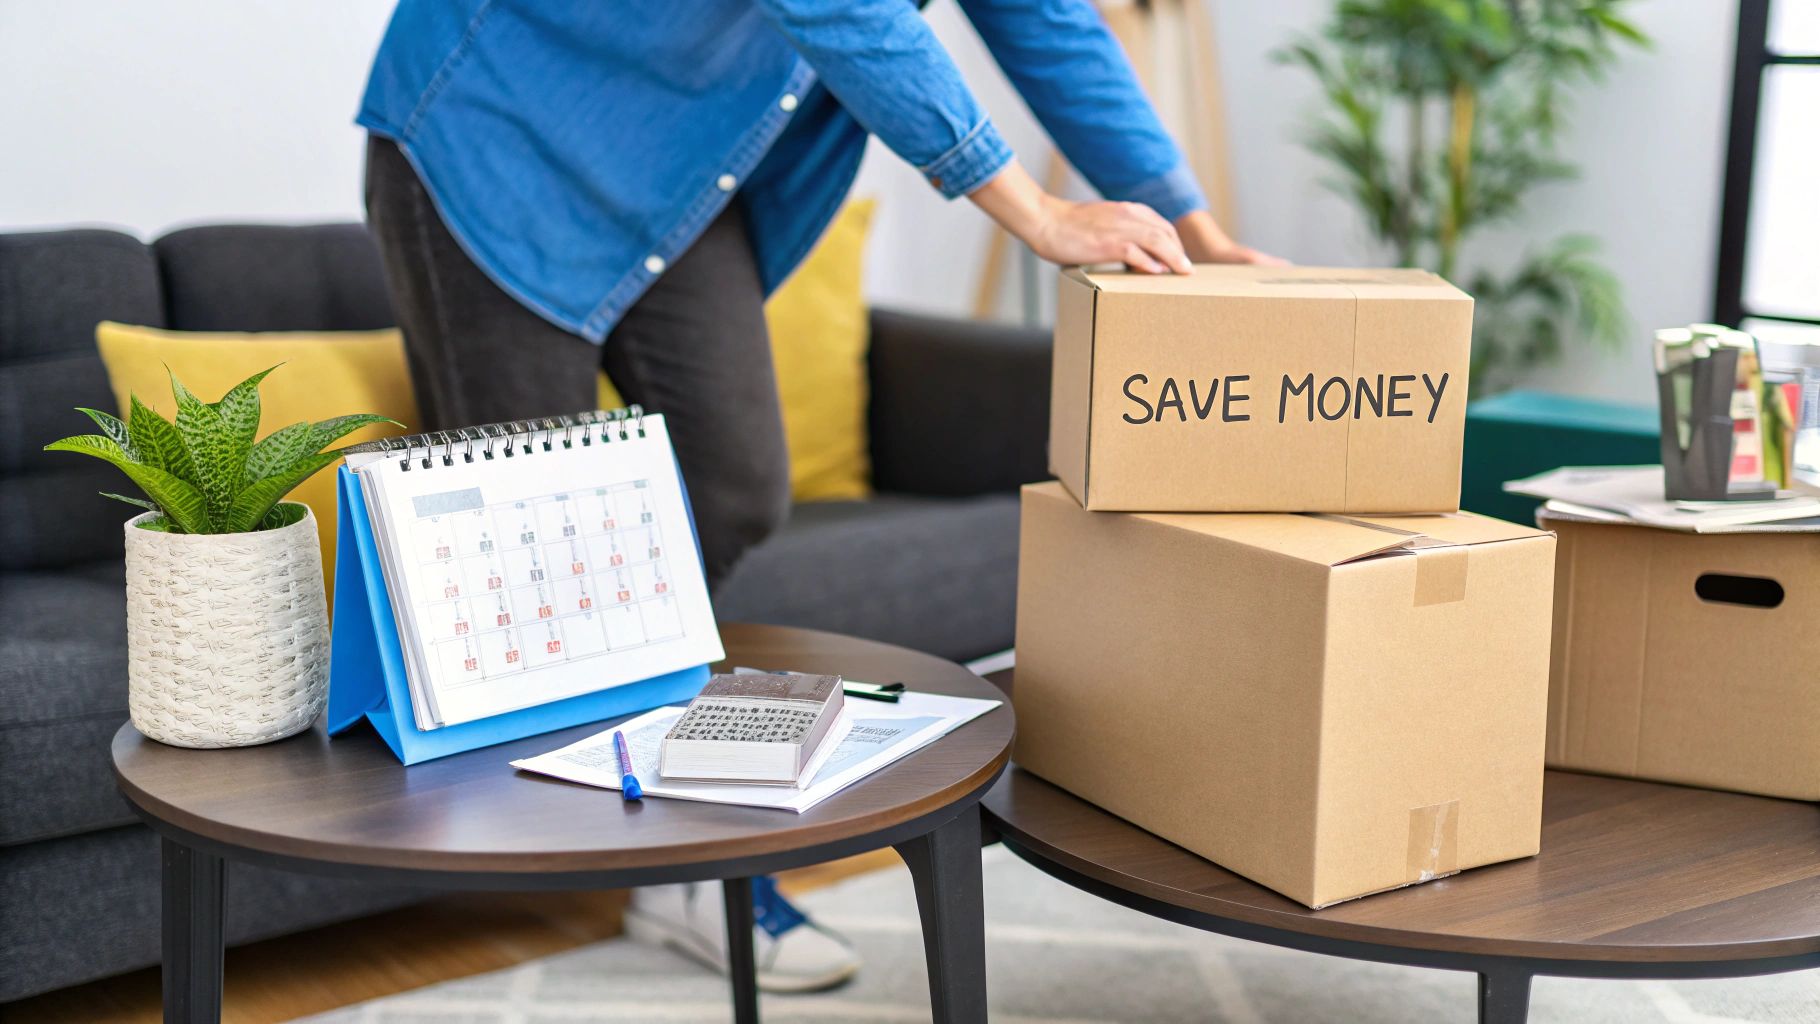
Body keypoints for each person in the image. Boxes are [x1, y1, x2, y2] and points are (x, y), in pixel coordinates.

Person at [358, 0, 1274, 994]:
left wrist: (1199, 232)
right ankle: (633, 847)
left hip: (682, 164)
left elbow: (1049, 23)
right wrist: (1036, 213)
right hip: (505, 130)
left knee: (734, 478)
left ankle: (646, 835)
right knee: (529, 519)